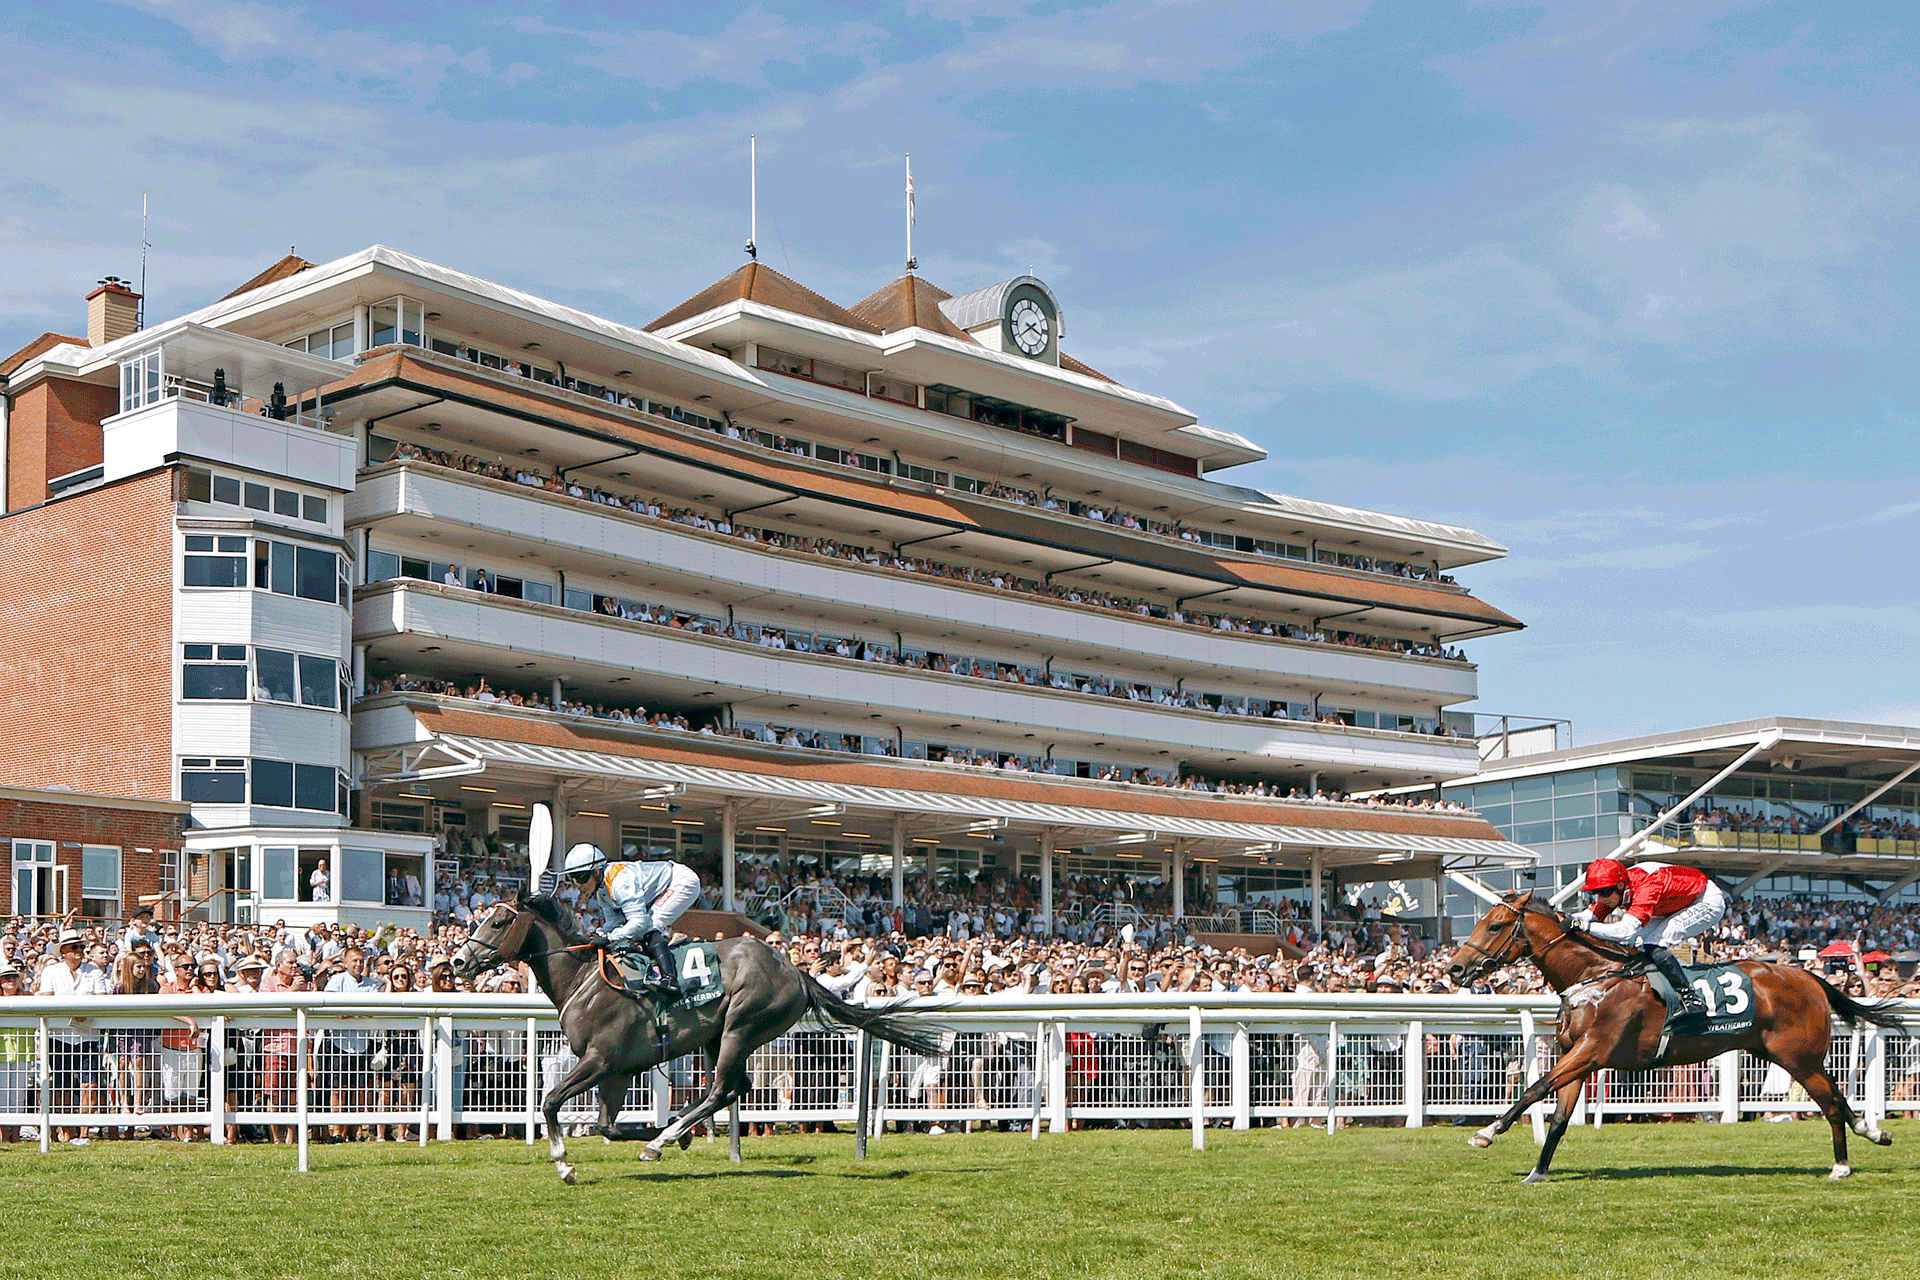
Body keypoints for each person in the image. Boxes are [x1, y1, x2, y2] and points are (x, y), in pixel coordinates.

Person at [1571, 857, 1727, 1030]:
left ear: (1621, 885)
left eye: (1605, 892)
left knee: (1654, 944)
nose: (1601, 897)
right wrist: (1565, 918)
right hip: (1673, 904)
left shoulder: (1647, 887)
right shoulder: (1620, 887)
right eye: (1596, 892)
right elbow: (1591, 914)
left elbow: (1625, 931)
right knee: (1635, 943)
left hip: (1705, 900)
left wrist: (1584, 926)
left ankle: (1691, 999)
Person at [559, 841, 700, 997]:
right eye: (572, 879)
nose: (578, 885)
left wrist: (609, 937)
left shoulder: (619, 882)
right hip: (663, 887)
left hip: (681, 881)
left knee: (649, 926)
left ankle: (670, 980)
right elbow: (614, 922)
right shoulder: (602, 891)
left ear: (597, 871)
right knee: (639, 929)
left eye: (581, 877)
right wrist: (599, 934)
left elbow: (639, 923)